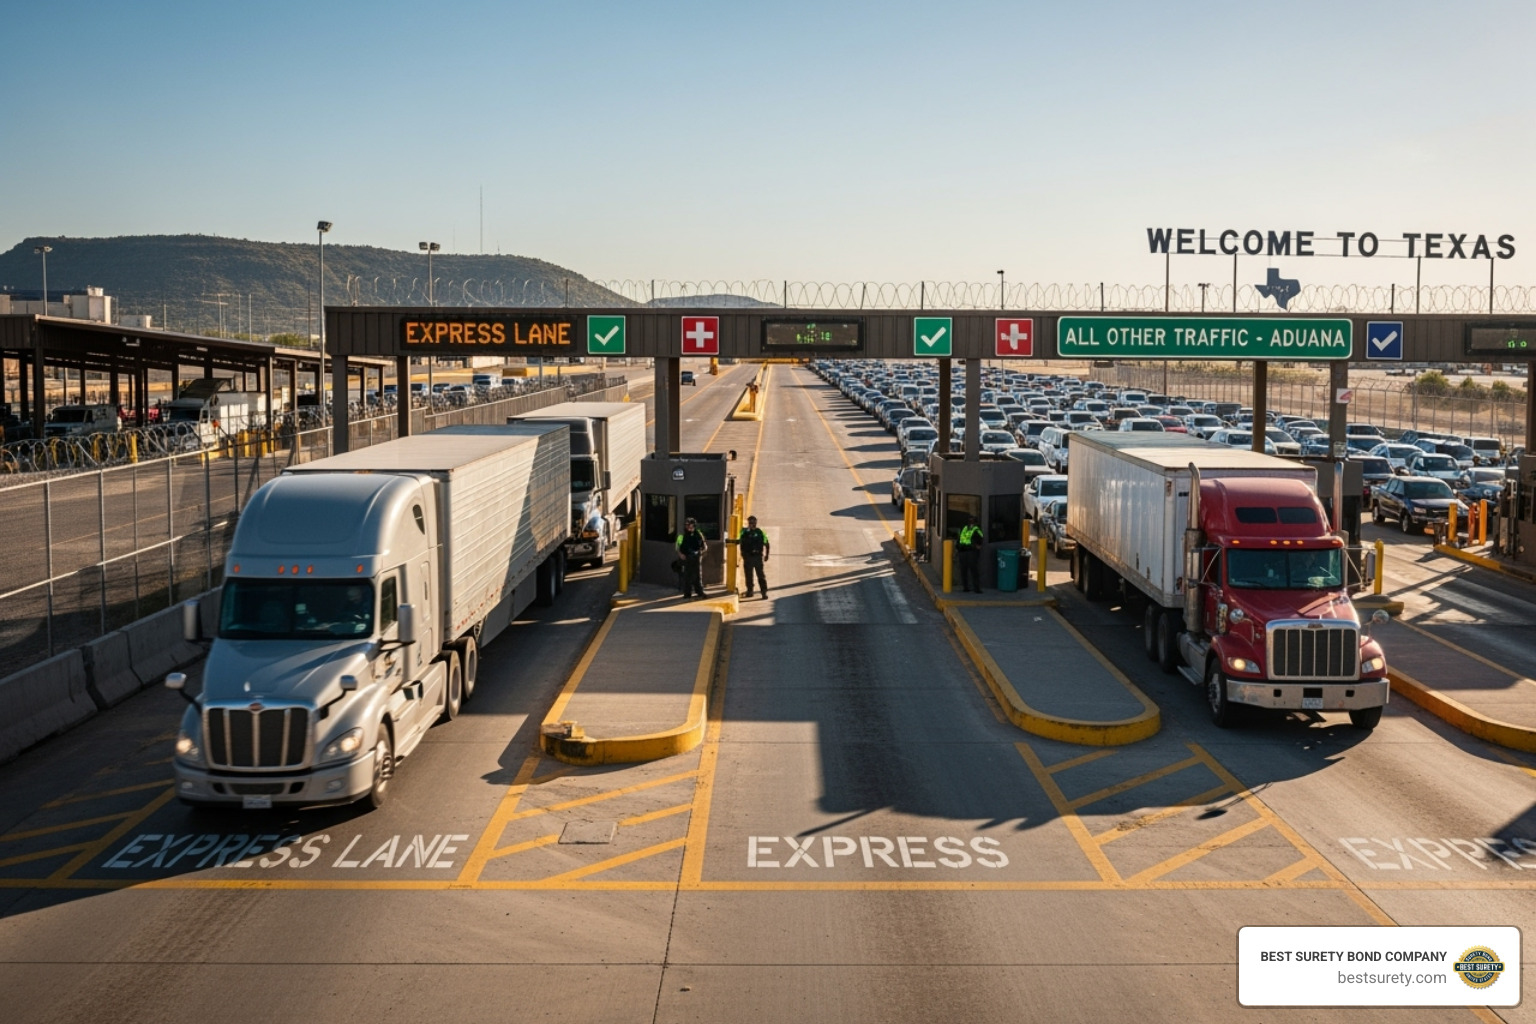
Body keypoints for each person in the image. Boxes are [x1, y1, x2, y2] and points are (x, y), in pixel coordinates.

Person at [738, 514, 770, 598]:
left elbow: (767, 543)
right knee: (748, 575)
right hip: (748, 557)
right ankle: (750, 591)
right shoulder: (744, 532)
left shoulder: (760, 532)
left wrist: (767, 555)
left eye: (753, 522)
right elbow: (738, 540)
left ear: (756, 523)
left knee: (761, 575)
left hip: (758, 557)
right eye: (750, 522)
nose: (752, 524)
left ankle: (764, 592)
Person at [675, 517, 708, 599]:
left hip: (696, 558)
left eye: (690, 525)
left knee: (698, 576)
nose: (688, 527)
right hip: (687, 558)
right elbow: (677, 548)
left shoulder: (698, 534)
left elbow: (705, 547)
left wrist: (700, 553)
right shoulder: (682, 536)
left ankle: (699, 591)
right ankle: (687, 593)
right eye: (687, 525)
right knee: (687, 576)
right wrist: (681, 555)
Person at [957, 515, 985, 593]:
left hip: (967, 552)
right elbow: (981, 538)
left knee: (969, 571)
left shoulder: (969, 528)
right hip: (967, 552)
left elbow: (980, 538)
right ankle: (971, 588)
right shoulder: (969, 528)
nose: (971, 522)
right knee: (969, 571)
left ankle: (971, 588)